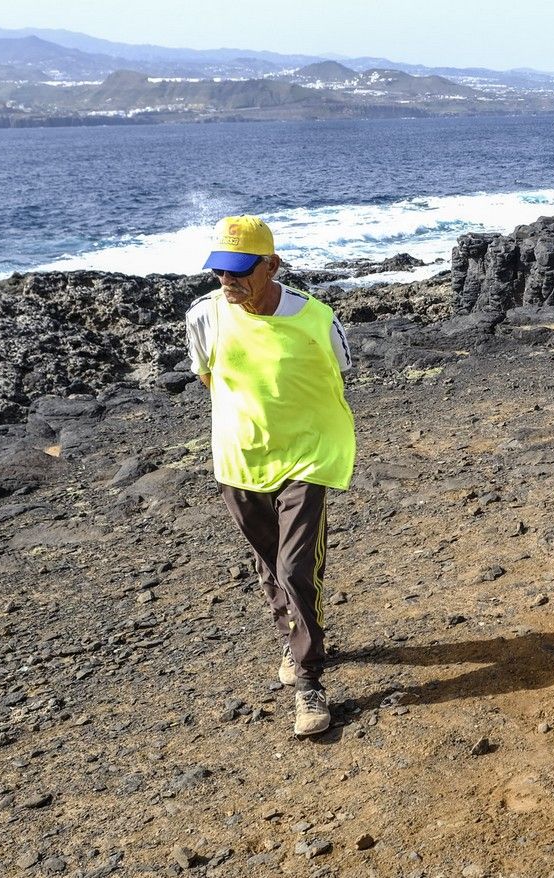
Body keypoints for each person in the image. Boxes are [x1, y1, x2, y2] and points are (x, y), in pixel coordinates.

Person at [185, 215, 356, 736]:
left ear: (272, 265)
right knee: (269, 566)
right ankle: (294, 637)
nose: (228, 281)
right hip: (239, 460)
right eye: (220, 272)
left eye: (240, 270)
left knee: (296, 567)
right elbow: (209, 377)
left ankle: (308, 683)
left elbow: (339, 372)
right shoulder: (204, 317)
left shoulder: (317, 319)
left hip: (309, 455)